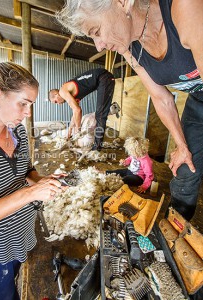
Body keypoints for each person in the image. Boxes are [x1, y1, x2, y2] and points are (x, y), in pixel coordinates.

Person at [56, 0, 203, 222]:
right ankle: (175, 230)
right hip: (198, 99)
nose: (99, 46)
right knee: (185, 169)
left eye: (96, 31)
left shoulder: (184, 7)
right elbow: (161, 99)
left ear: (122, 2)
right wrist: (182, 146)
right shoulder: (129, 48)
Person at [0, 62, 66, 299]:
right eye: (23, 104)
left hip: (20, 239)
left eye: (31, 105)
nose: (28, 113)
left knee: (15, 285)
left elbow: (25, 170)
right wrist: (30, 194)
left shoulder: (17, 132)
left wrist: (40, 181)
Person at [49, 68, 115, 151]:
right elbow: (75, 112)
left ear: (56, 94)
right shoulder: (70, 94)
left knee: (100, 115)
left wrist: (78, 129)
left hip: (104, 77)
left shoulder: (62, 91)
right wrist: (70, 129)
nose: (58, 104)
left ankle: (96, 149)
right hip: (102, 79)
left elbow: (78, 110)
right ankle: (111, 109)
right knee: (100, 113)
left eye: (55, 101)